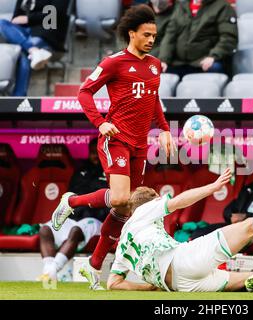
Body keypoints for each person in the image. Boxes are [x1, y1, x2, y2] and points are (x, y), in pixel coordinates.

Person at [51, 5, 175, 290]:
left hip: (141, 145)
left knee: (126, 208)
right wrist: (99, 123)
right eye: (146, 34)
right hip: (116, 138)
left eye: (154, 35)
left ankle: (94, 267)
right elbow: (84, 92)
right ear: (132, 33)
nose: (151, 39)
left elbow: (153, 99)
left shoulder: (155, 65)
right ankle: (71, 202)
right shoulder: (113, 62)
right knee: (120, 197)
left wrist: (165, 130)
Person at [106, 168, 253, 292]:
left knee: (241, 278)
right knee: (251, 226)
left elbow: (113, 283)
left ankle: (252, 281)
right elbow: (179, 202)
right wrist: (213, 187)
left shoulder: (124, 239)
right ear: (153, 201)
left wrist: (148, 287)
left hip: (179, 286)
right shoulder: (145, 211)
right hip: (184, 260)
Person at [38, 139, 109, 282]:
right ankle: (49, 271)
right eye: (92, 152)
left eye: (98, 152)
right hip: (75, 217)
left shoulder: (110, 171)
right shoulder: (80, 170)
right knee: (45, 229)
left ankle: (53, 270)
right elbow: (70, 196)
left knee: (76, 230)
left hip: (97, 220)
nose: (95, 155)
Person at [0, 0, 70, 96]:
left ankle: (18, 97)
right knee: (2, 23)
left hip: (47, 33)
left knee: (23, 53)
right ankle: (33, 50)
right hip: (24, 33)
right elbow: (15, 19)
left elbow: (56, 13)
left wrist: (28, 19)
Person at [158, 0, 238, 78]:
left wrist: (213, 56)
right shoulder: (181, 6)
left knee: (215, 67)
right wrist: (164, 60)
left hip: (204, 62)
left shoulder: (222, 6)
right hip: (179, 63)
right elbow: (169, 37)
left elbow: (228, 37)